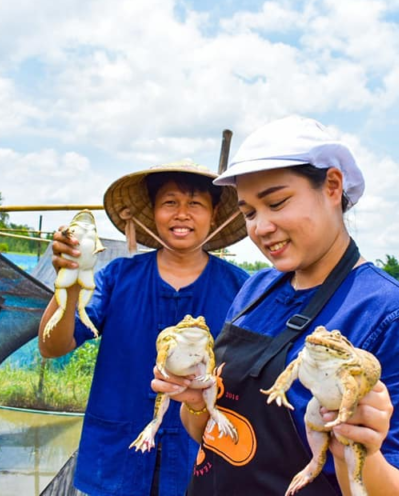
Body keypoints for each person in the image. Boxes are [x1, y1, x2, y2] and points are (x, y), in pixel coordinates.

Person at [151, 116, 399, 496]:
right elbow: (210, 434)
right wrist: (193, 402)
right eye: (250, 212)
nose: (261, 227)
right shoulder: (254, 289)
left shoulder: (394, 316)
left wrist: (353, 452)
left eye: (276, 202)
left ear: (333, 186)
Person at [39, 160, 250, 496]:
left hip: (202, 457)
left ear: (214, 214)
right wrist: (70, 284)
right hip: (116, 456)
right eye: (170, 203)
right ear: (153, 213)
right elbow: (52, 347)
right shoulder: (117, 276)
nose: (182, 214)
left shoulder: (242, 290)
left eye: (195, 204)